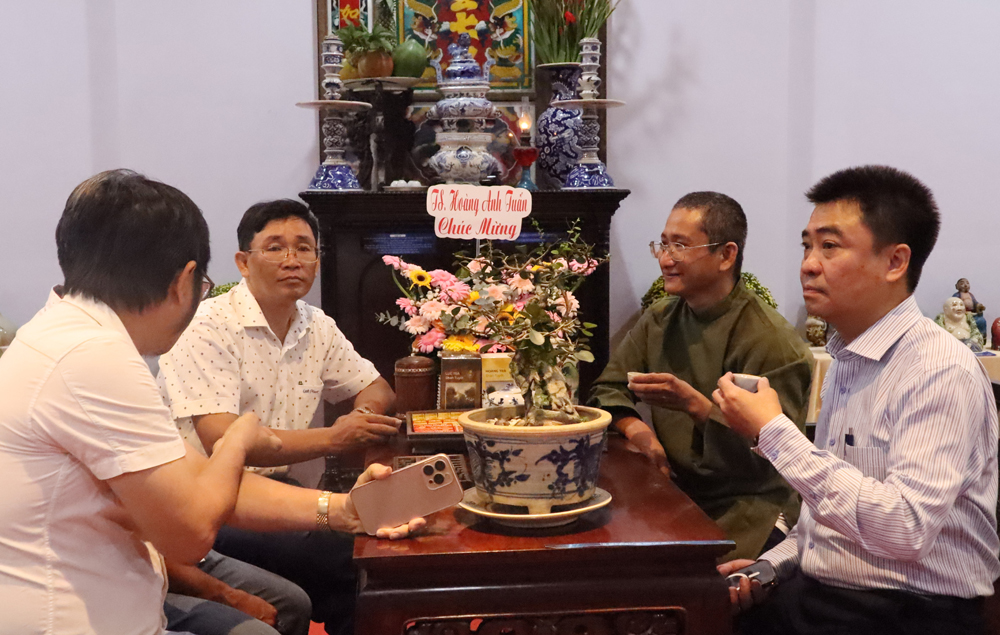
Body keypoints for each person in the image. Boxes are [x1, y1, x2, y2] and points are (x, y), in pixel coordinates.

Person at [0, 170, 423, 635]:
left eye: (304, 248)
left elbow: (196, 478)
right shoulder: (94, 357)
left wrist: (343, 508)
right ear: (186, 280)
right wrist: (240, 439)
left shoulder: (62, 334)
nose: (292, 260)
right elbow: (190, 532)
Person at [714, 165, 999, 635]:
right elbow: (832, 518)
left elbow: (905, 528)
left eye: (830, 246)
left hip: (907, 613)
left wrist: (773, 431)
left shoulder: (938, 369)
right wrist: (772, 566)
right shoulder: (848, 358)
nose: (808, 264)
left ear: (895, 262)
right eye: (807, 246)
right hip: (823, 594)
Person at [156, 199, 401, 635]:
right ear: (243, 262)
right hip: (216, 501)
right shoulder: (207, 325)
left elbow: (377, 388)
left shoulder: (315, 325)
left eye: (304, 248)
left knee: (375, 544)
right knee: (353, 555)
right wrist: (336, 437)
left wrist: (362, 417)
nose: (292, 260)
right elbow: (222, 439)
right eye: (275, 247)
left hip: (282, 491)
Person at [588, 191, 813, 561]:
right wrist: (640, 433)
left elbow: (773, 458)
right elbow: (606, 390)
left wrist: (697, 406)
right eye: (663, 244)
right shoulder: (661, 319)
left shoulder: (771, 341)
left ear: (726, 255)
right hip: (678, 492)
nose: (666, 259)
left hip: (751, 504)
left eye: (680, 246)